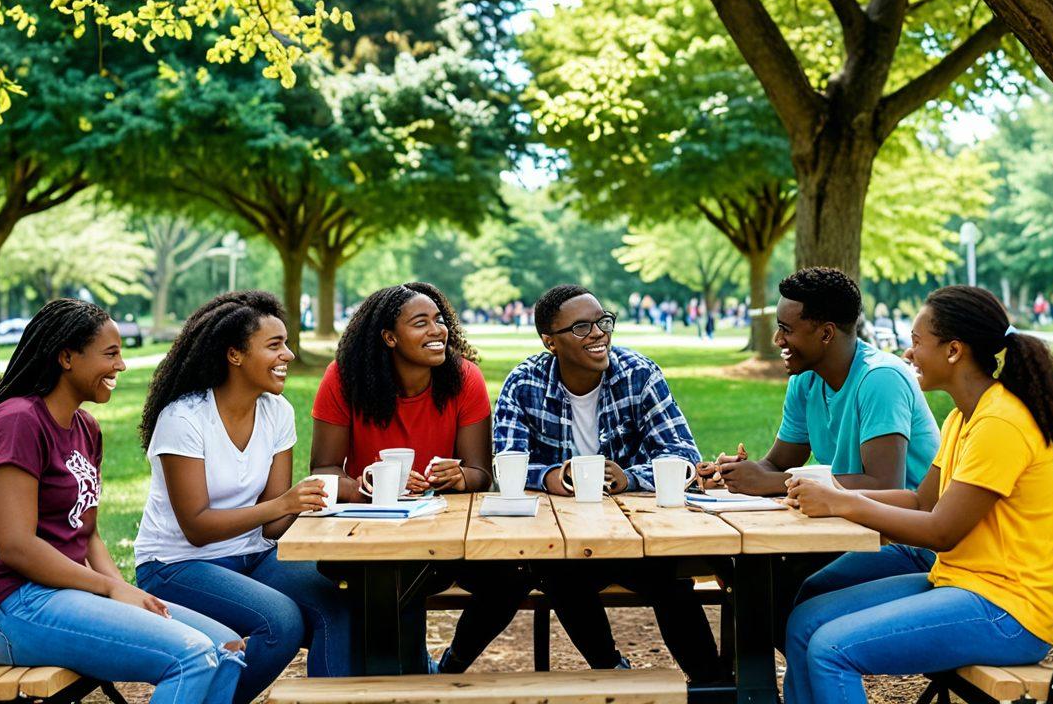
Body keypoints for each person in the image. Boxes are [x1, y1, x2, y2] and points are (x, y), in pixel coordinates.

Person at [782, 285, 1053, 704]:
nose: (908, 353)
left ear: (954, 350)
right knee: (804, 623)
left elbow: (940, 532)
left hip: (1010, 611)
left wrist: (843, 502)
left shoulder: (1000, 424)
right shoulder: (963, 415)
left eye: (917, 342)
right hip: (959, 584)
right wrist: (830, 489)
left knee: (831, 649)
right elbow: (921, 501)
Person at [0, 299, 242, 704]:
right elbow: (16, 546)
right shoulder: (17, 423)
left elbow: (86, 534)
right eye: (110, 354)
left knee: (226, 648)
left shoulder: (86, 428)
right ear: (66, 357)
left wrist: (125, 591)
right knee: (192, 656)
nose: (121, 365)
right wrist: (109, 590)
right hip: (11, 606)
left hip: (66, 593)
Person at [488, 283, 723, 682]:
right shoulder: (524, 383)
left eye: (603, 321)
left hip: (639, 536)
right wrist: (552, 476)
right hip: (568, 541)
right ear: (550, 342)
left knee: (671, 578)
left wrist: (629, 478)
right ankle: (610, 669)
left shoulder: (638, 375)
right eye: (581, 327)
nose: (598, 333)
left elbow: (683, 457)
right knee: (557, 570)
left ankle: (714, 684)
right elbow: (504, 463)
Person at [696, 268, 941, 636]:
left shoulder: (880, 379)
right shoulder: (806, 380)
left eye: (787, 329)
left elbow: (883, 483)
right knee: (752, 584)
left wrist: (774, 482)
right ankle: (745, 690)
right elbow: (778, 464)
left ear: (826, 333)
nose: (777, 338)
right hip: (848, 528)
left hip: (907, 540)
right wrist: (735, 474)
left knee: (786, 593)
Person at [133, 291, 349, 704]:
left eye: (286, 343)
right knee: (280, 622)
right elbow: (196, 527)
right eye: (274, 345)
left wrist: (313, 504)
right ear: (234, 355)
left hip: (253, 554)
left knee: (336, 602)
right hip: (177, 565)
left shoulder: (277, 411)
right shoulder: (184, 418)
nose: (287, 354)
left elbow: (273, 525)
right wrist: (285, 503)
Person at [309, 282, 501, 672]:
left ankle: (444, 670)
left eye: (439, 320)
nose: (437, 330)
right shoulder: (343, 379)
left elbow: (480, 473)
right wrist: (362, 487)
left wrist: (457, 476)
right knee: (393, 572)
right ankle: (407, 676)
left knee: (511, 573)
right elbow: (323, 470)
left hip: (444, 536)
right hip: (369, 538)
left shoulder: (464, 378)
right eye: (421, 323)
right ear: (389, 337)